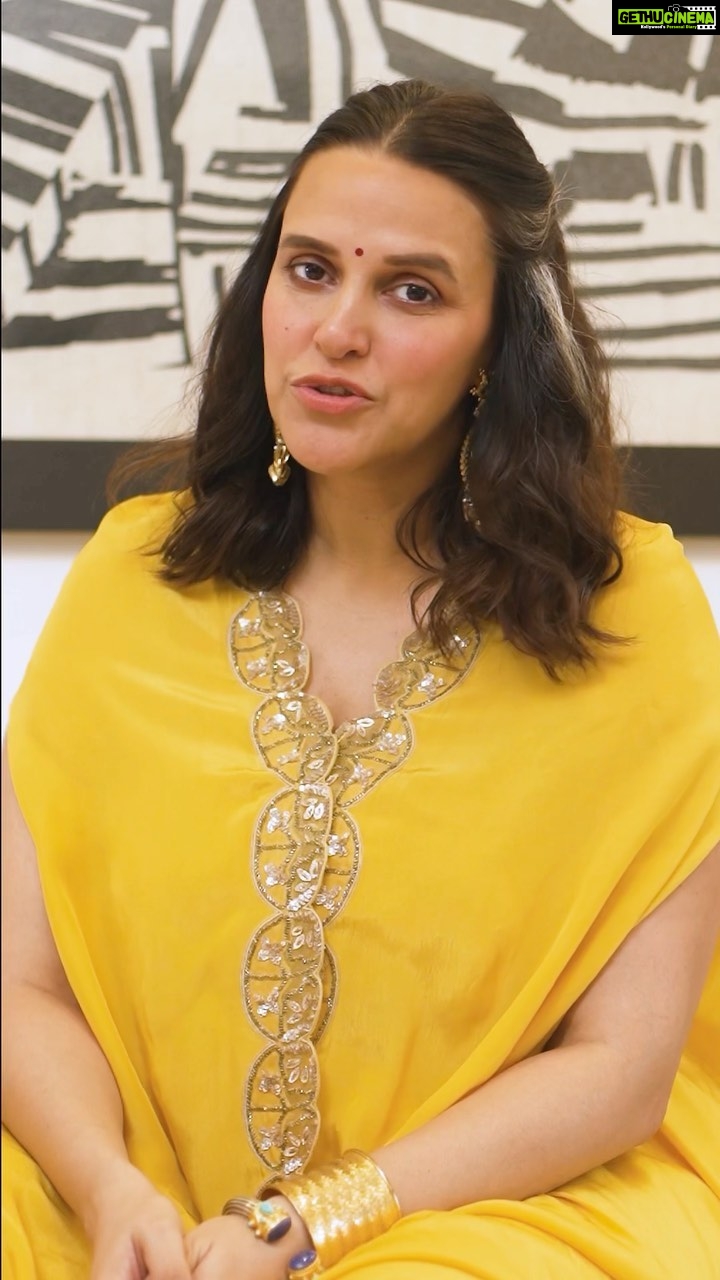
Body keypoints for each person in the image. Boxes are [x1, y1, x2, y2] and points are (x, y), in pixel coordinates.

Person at [2, 78, 719, 1280]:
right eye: (311, 269)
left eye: (412, 289)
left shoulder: (628, 611)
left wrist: (306, 1221)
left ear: (497, 345)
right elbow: (23, 986)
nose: (338, 329)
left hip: (500, 1206)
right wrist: (113, 1193)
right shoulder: (130, 578)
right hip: (134, 1190)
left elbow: (622, 1070)